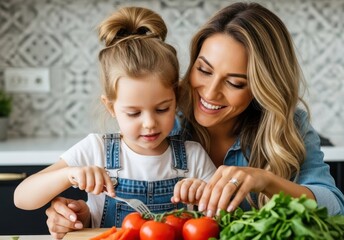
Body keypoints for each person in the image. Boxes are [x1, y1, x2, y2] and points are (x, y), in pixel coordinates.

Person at [45, 2, 344, 238]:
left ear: (261, 88)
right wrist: (73, 215)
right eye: (204, 70)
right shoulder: (162, 119)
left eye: (236, 83)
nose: (211, 92)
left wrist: (266, 181)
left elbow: (336, 211)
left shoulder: (288, 125)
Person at [13, 6, 216, 236]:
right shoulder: (95, 149)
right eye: (133, 113)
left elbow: (224, 216)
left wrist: (204, 195)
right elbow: (22, 197)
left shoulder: (193, 156)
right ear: (110, 106)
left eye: (162, 109)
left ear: (177, 98)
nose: (149, 122)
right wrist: (68, 175)